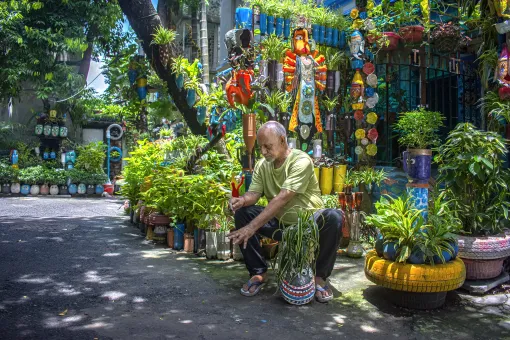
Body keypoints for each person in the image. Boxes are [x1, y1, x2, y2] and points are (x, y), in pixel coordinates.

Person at [228, 121, 343, 303]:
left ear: (283, 141)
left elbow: (282, 198)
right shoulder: (262, 164)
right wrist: (241, 200)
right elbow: (255, 194)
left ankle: (320, 277)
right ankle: (258, 273)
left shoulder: (301, 160)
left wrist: (251, 228)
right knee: (244, 212)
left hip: (309, 225)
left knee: (334, 217)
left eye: (268, 146)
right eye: (261, 147)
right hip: (281, 224)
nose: (264, 152)